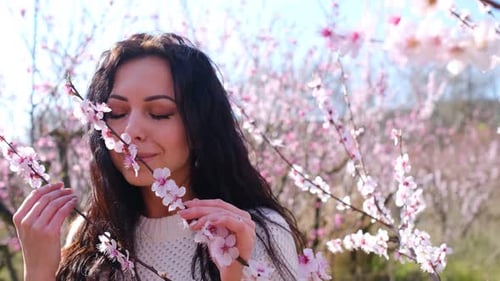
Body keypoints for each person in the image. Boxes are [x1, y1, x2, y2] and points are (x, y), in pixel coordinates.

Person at [13, 32, 305, 281]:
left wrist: (234, 274)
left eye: (159, 113)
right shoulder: (88, 236)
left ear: (200, 126)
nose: (131, 131)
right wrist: (39, 273)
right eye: (116, 113)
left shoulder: (252, 234)